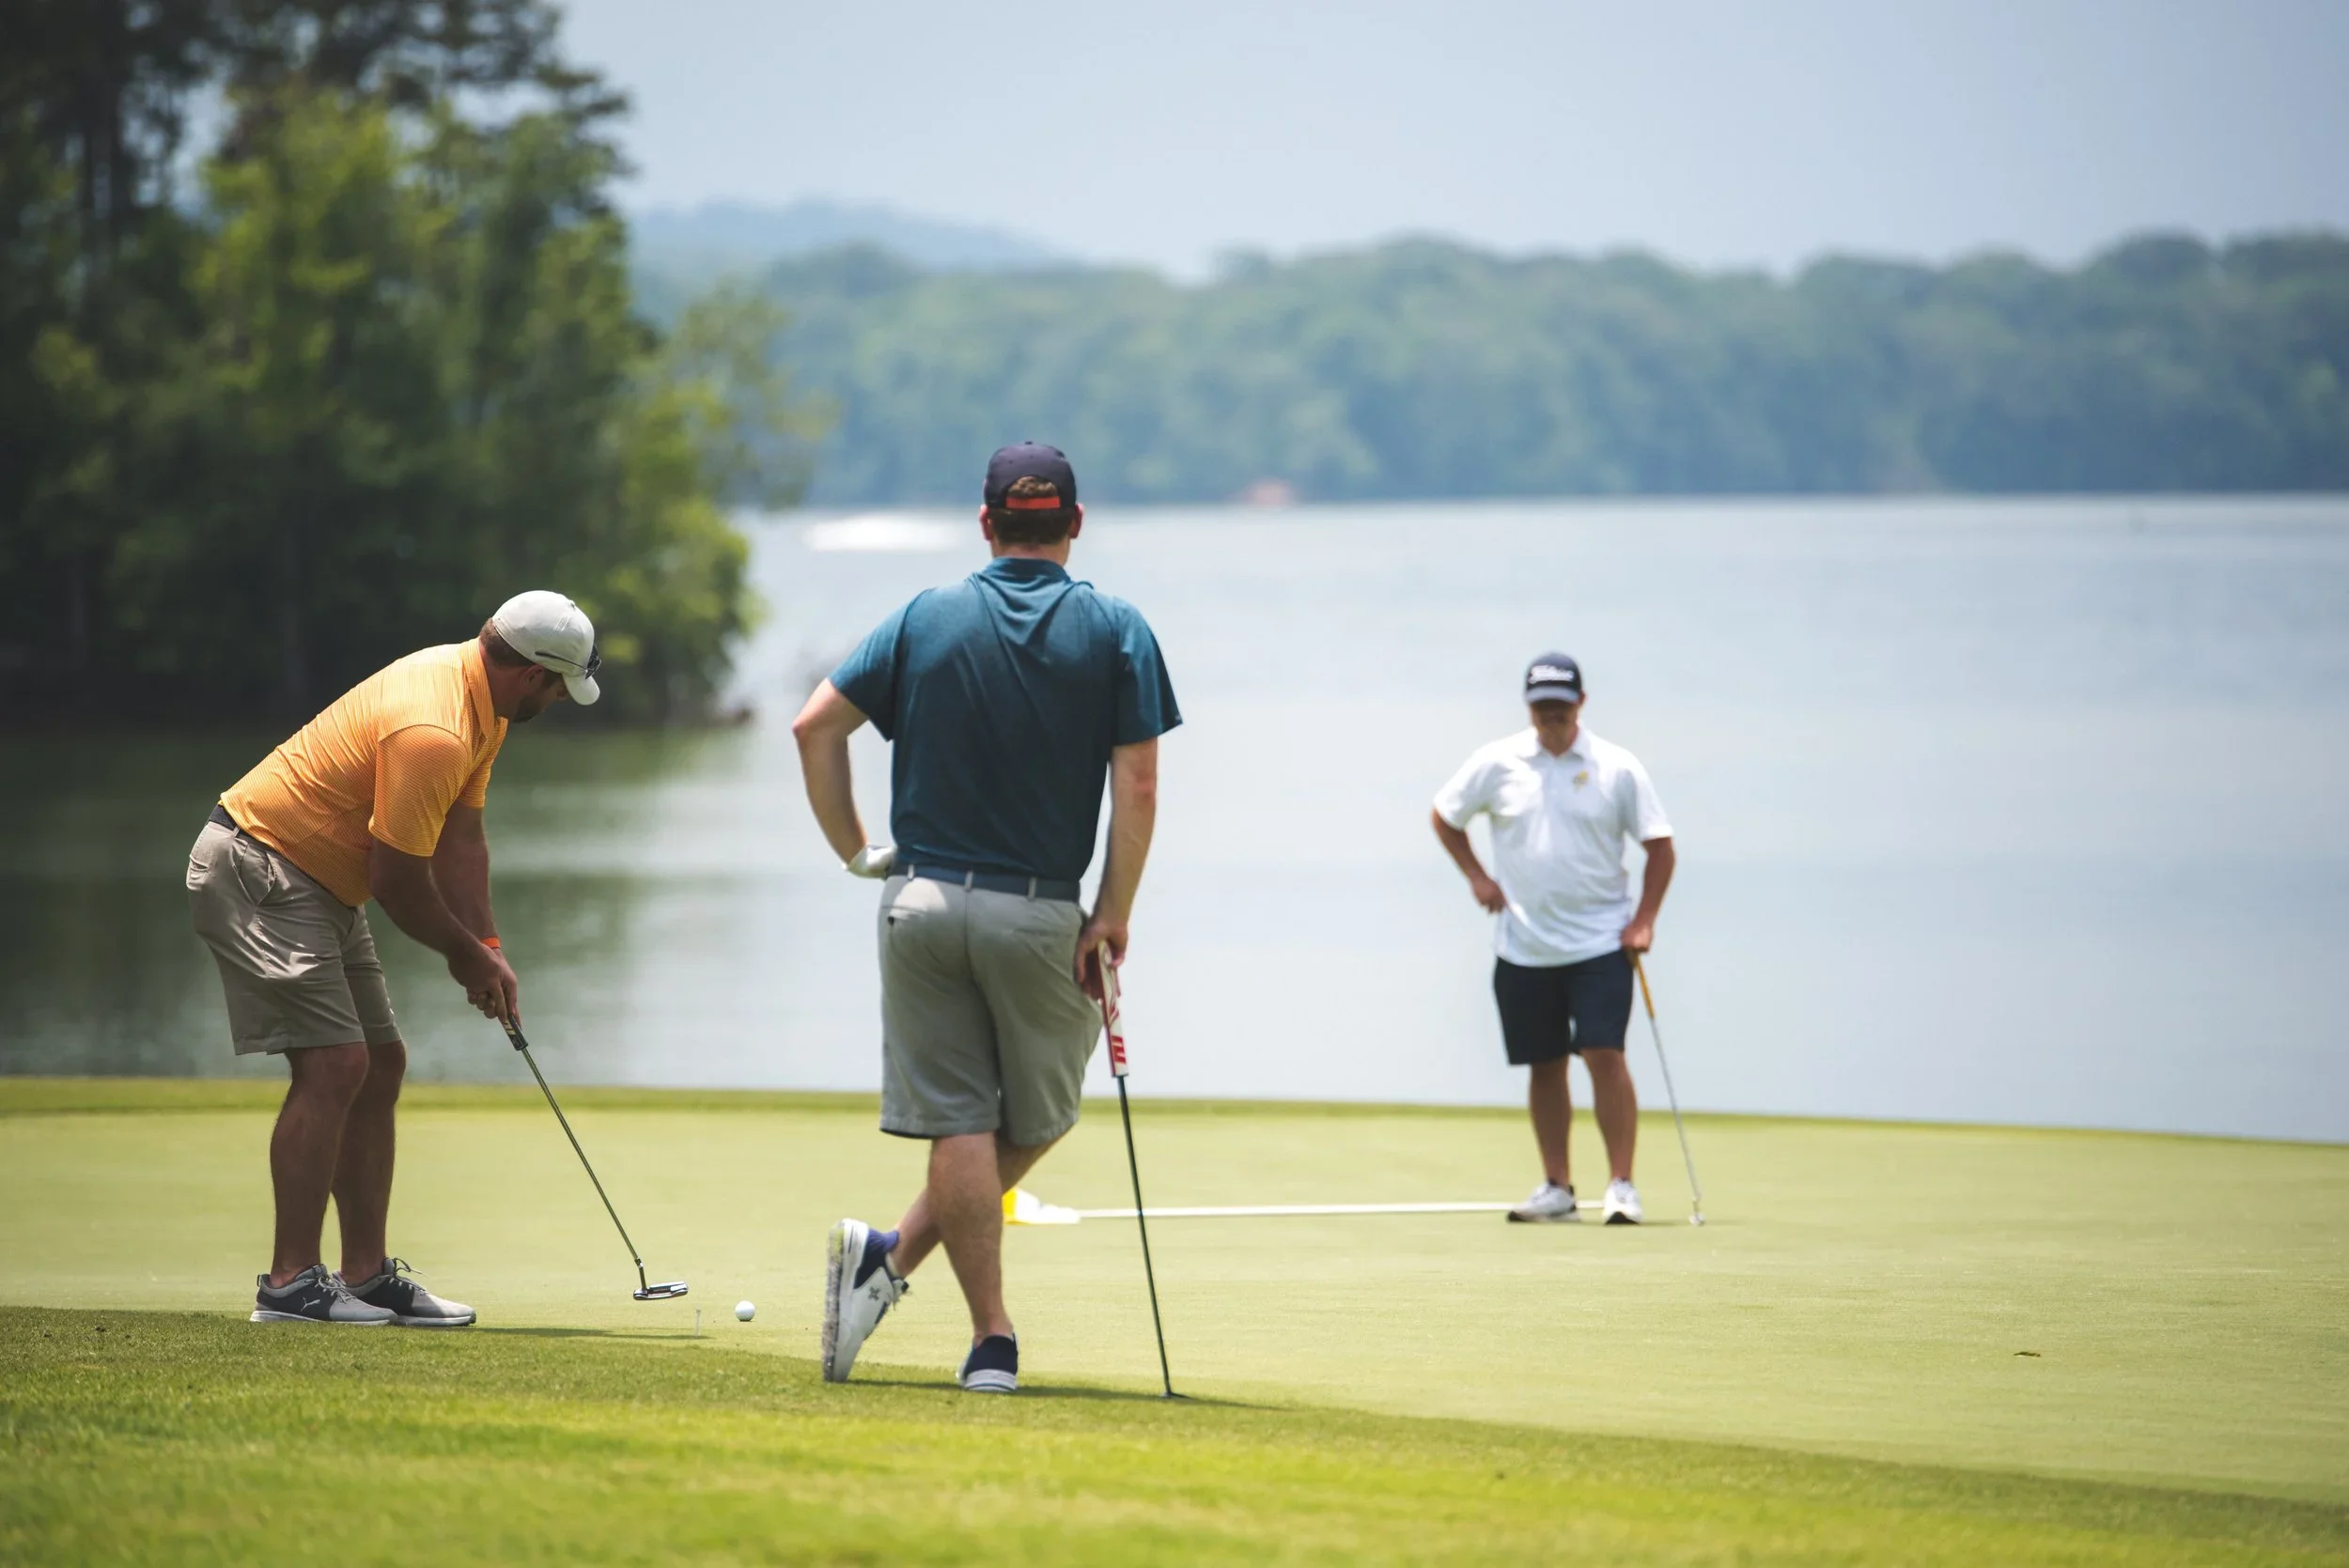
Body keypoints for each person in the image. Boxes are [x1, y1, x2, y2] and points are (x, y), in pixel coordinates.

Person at [792, 442, 1179, 1394]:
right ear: (1076, 523)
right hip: (1039, 908)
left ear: (986, 522)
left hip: (917, 900)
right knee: (1041, 1112)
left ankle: (909, 1281)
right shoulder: (1116, 626)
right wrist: (1114, 913)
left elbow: (813, 727)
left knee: (960, 1120)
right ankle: (986, 1334)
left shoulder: (926, 615)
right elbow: (1137, 782)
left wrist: (853, 849)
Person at [187, 592, 601, 1326]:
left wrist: (491, 949)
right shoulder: (435, 726)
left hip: (320, 880)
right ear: (533, 674)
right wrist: (465, 959)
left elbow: (461, 838)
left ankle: (367, 1275)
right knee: (336, 1062)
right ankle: (289, 1284)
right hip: (261, 865)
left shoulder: (483, 707)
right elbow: (399, 882)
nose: (562, 700)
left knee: (379, 1063)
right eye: (562, 686)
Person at [1430, 653, 1674, 1224]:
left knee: (1603, 1054)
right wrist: (1477, 876)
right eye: (1541, 707)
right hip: (1524, 945)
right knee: (1544, 1064)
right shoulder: (1497, 762)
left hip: (1601, 943)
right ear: (1528, 707)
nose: (1551, 718)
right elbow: (1445, 816)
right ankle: (1558, 1187)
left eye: (1561, 707)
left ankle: (1621, 1185)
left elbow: (1660, 846)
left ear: (1580, 705)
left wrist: (1645, 920)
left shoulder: (1616, 767)